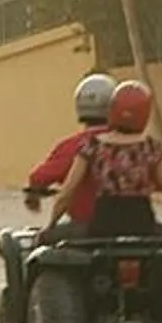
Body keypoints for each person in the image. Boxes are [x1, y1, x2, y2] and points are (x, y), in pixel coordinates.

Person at [44, 80, 162, 238]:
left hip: (103, 226)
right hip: (143, 225)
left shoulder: (93, 145)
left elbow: (66, 195)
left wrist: (51, 226)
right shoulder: (151, 148)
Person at [25, 73, 119, 226]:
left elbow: (38, 179)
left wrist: (34, 196)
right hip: (137, 228)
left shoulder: (73, 146)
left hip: (86, 229)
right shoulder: (141, 146)